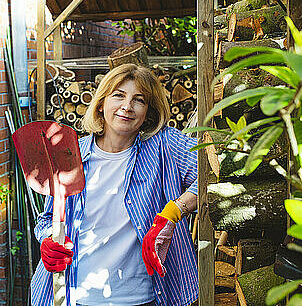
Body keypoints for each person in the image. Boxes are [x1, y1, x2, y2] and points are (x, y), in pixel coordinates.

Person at [30, 63, 199, 306]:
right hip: (76, 296)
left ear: (148, 112)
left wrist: (174, 212)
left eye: (139, 100)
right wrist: (48, 240)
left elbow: (210, 174)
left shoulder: (165, 146)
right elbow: (48, 218)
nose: (127, 106)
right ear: (101, 103)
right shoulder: (70, 154)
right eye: (118, 95)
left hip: (142, 298)